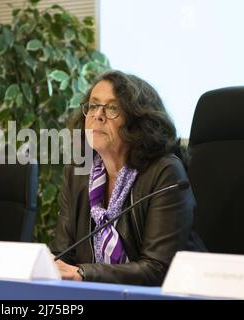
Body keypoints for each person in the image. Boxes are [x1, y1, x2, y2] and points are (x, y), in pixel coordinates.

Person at [50, 70, 205, 285]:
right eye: (93, 105)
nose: (98, 115)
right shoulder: (78, 172)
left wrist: (84, 273)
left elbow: (158, 268)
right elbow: (63, 255)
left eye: (112, 108)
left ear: (138, 122)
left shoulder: (165, 172)